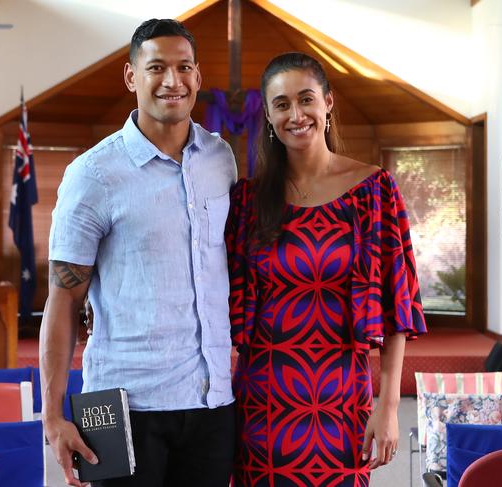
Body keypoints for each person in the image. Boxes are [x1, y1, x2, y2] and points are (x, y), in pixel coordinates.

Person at [40, 19, 237, 487]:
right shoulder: (94, 174)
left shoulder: (220, 159)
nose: (173, 80)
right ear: (132, 77)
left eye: (184, 67)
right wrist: (52, 417)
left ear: (197, 76)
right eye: (157, 68)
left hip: (211, 403)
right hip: (123, 406)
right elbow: (62, 299)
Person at [225, 52, 427, 486]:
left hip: (341, 400)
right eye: (281, 104)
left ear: (328, 103)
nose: (295, 115)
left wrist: (388, 405)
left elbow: (399, 308)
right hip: (262, 403)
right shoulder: (247, 200)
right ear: (269, 115)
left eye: (305, 99)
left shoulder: (373, 191)